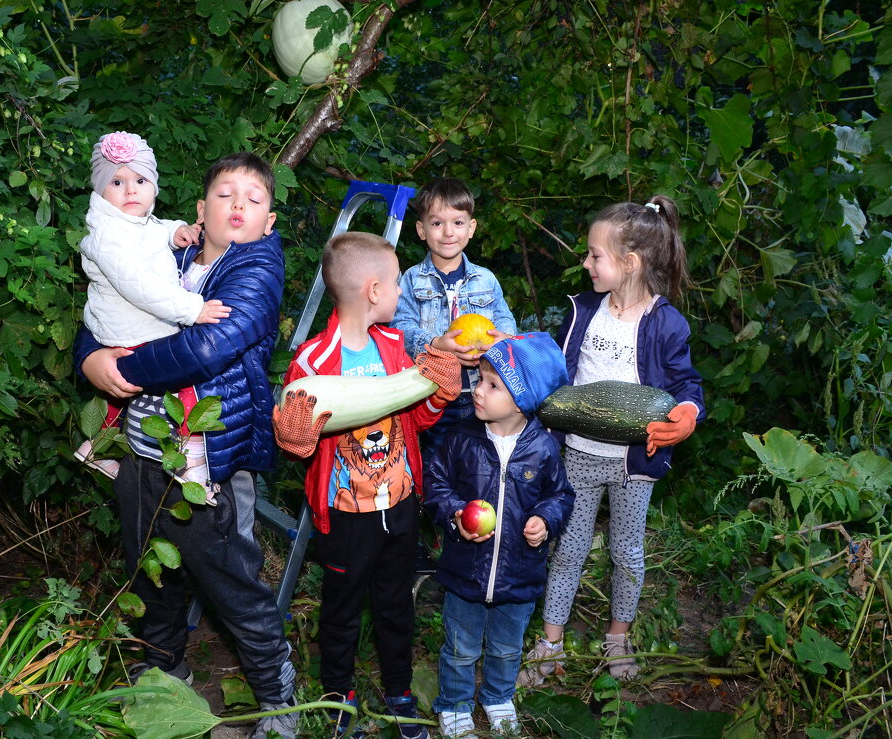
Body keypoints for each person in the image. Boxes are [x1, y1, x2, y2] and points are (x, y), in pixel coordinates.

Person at [74, 152, 297, 739]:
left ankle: (278, 696)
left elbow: (206, 349)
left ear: (268, 221)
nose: (239, 206)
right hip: (142, 446)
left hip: (209, 459)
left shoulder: (258, 271)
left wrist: (127, 367)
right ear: (201, 210)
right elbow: (105, 306)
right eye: (226, 195)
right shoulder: (162, 252)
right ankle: (161, 668)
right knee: (149, 567)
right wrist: (92, 360)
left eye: (253, 199)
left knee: (230, 578)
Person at [272, 231, 461, 739]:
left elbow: (417, 420)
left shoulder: (397, 349)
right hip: (345, 514)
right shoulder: (313, 362)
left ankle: (398, 690)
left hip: (400, 504)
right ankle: (339, 697)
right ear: (374, 291)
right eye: (397, 282)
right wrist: (294, 438)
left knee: (397, 603)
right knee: (342, 608)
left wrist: (437, 395)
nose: (402, 290)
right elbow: (301, 445)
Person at [518, 194, 704, 687]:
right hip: (577, 454)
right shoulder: (583, 312)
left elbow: (687, 385)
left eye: (594, 255)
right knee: (568, 548)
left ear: (630, 263)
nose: (586, 263)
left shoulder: (665, 322)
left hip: (634, 461)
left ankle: (617, 637)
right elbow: (557, 371)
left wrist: (686, 414)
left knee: (627, 554)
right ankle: (551, 642)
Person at [423, 333, 575, 739]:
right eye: (479, 379)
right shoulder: (462, 438)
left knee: (507, 648)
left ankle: (497, 696)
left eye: (493, 385)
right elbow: (434, 483)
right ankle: (453, 704)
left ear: (523, 399)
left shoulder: (543, 448)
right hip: (464, 571)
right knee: (460, 647)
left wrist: (545, 518)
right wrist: (456, 515)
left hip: (519, 574)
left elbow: (560, 495)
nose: (478, 390)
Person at [74, 130, 229, 496]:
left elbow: (152, 229)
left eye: (141, 180)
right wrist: (194, 309)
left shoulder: (130, 222)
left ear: (153, 187)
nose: (131, 191)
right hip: (132, 329)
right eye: (117, 181)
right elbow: (140, 286)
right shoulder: (107, 237)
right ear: (100, 190)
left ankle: (92, 447)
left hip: (122, 324)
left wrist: (176, 232)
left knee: (122, 393)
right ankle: (186, 460)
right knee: (183, 379)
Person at [391, 178, 517, 449]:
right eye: (437, 223)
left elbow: (505, 319)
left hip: (480, 396)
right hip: (431, 396)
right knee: (436, 465)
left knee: (478, 463)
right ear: (421, 230)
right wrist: (436, 344)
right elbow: (400, 327)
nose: (448, 232)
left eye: (458, 223)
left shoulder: (485, 279)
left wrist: (503, 340)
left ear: (471, 228)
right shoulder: (411, 279)